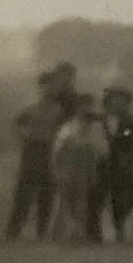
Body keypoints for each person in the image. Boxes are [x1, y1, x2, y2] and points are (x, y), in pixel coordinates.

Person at [4, 72, 65, 240]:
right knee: (24, 191)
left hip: (49, 150)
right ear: (40, 87)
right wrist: (24, 136)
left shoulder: (57, 109)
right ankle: (13, 230)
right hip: (32, 150)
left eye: (53, 86)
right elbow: (15, 124)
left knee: (47, 191)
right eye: (46, 85)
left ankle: (42, 231)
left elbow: (60, 130)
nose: (50, 89)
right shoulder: (30, 106)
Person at [47, 101, 109, 242]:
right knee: (65, 203)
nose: (85, 123)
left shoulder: (92, 136)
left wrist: (92, 174)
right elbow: (56, 152)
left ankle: (78, 233)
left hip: (83, 175)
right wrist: (56, 171)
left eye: (88, 121)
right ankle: (60, 233)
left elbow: (97, 156)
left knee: (81, 204)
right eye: (83, 119)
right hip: (67, 173)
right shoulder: (67, 130)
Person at [98, 86, 133, 242]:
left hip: (123, 162)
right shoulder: (100, 120)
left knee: (125, 196)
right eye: (114, 100)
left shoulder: (130, 120)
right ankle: (96, 232)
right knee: (99, 196)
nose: (118, 104)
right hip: (102, 162)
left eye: (121, 101)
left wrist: (121, 136)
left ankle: (120, 228)